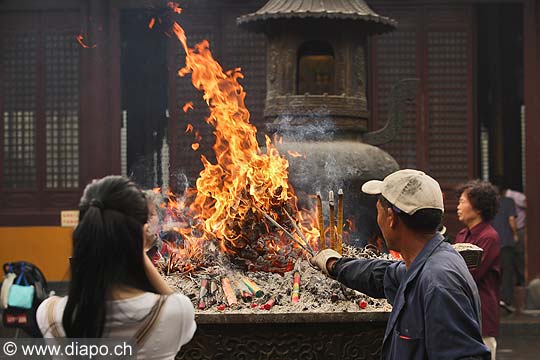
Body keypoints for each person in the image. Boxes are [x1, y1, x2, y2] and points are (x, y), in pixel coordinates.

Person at [310, 169, 490, 360]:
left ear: (391, 217)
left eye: (378, 212)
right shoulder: (423, 265)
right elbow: (379, 274)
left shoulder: (439, 282)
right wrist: (334, 264)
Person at [36, 176, 196, 359]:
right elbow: (179, 308)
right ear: (138, 236)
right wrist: (140, 249)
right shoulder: (173, 313)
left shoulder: (48, 314)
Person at [455, 180, 501, 359]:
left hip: (482, 309)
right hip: (462, 307)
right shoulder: (462, 234)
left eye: (462, 201)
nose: (458, 206)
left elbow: (471, 274)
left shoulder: (489, 237)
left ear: (478, 208)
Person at [490, 182, 518, 311]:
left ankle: (494, 301)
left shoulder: (489, 204)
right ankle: (507, 301)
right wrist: (515, 234)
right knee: (507, 272)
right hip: (506, 241)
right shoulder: (508, 201)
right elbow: (511, 220)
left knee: (492, 272)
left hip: (492, 242)